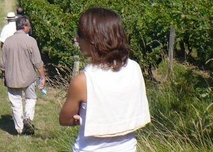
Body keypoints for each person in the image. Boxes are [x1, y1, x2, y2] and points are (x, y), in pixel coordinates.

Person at [58, 8, 150, 152]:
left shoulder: (84, 80)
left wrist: (81, 118)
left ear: (93, 39)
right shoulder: (134, 68)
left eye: (81, 34)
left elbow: (64, 119)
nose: (77, 39)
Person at [0, 17, 45, 136]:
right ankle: (28, 118)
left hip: (12, 77)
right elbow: (37, 61)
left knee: (15, 102)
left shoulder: (7, 41)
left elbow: (3, 63)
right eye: (29, 26)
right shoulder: (31, 41)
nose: (29, 28)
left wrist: (4, 76)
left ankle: (19, 128)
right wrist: (42, 76)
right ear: (24, 27)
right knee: (31, 98)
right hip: (28, 77)